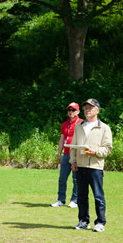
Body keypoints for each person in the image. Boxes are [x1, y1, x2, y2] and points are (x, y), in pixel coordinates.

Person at [69, 98, 112, 232]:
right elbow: (73, 146)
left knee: (98, 196)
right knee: (81, 196)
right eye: (86, 108)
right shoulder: (79, 126)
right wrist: (73, 161)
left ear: (97, 111)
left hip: (95, 166)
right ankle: (83, 220)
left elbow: (108, 148)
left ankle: (100, 222)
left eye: (90, 108)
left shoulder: (104, 128)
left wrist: (96, 152)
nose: (87, 110)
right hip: (80, 166)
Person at [51, 102, 82, 208]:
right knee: (62, 178)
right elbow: (62, 139)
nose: (71, 112)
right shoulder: (65, 124)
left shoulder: (81, 123)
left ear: (78, 112)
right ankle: (61, 199)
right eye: (69, 110)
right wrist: (59, 153)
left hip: (77, 155)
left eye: (73, 110)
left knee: (76, 179)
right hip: (66, 155)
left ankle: (75, 200)